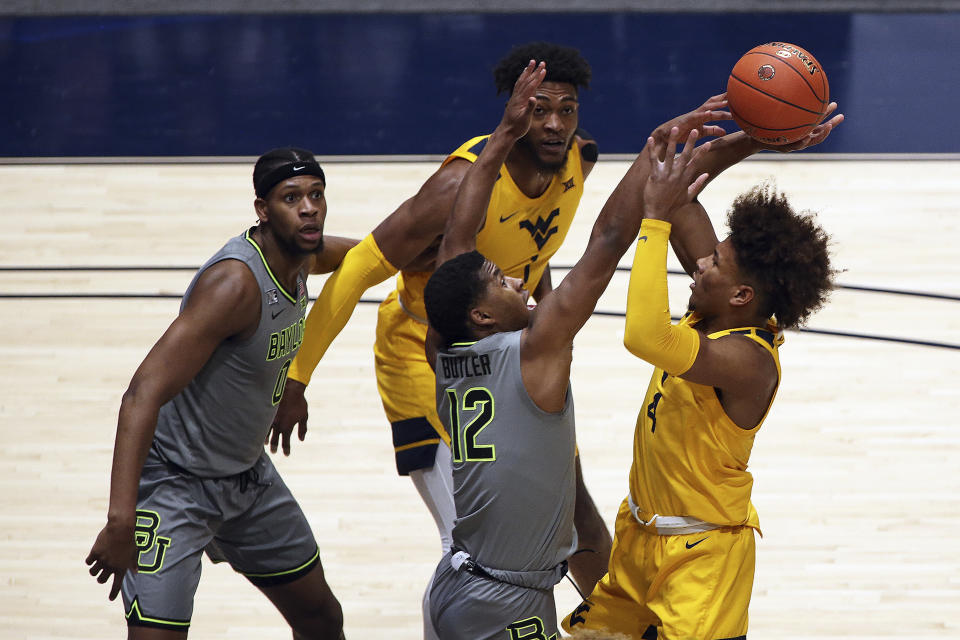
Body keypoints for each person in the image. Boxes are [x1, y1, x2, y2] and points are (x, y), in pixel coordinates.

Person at [269, 42, 613, 602]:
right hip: (424, 351)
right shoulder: (459, 187)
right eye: (539, 109)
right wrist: (298, 376)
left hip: (507, 347)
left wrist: (538, 322)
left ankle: (614, 624)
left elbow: (535, 251)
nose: (554, 124)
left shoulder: (581, 160)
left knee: (573, 506)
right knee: (475, 542)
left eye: (566, 110)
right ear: (514, 111)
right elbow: (359, 268)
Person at [421, 61, 733, 640]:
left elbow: (457, 245)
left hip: (456, 584)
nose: (519, 279)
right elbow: (609, 239)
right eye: (502, 281)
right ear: (483, 315)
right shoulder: (537, 349)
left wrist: (501, 138)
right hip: (505, 602)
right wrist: (655, 162)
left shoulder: (444, 346)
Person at [563, 112, 843, 639]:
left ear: (742, 296)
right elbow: (673, 186)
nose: (701, 263)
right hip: (640, 538)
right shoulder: (722, 305)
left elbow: (645, 337)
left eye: (715, 261)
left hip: (703, 560)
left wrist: (653, 226)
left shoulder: (748, 361)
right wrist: (761, 137)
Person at [84, 148, 353, 639]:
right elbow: (140, 395)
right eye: (292, 198)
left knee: (321, 618)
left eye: (317, 194)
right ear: (262, 210)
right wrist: (121, 520)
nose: (309, 207)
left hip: (247, 476)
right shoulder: (234, 285)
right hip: (175, 484)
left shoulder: (300, 255)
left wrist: (291, 385)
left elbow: (372, 256)